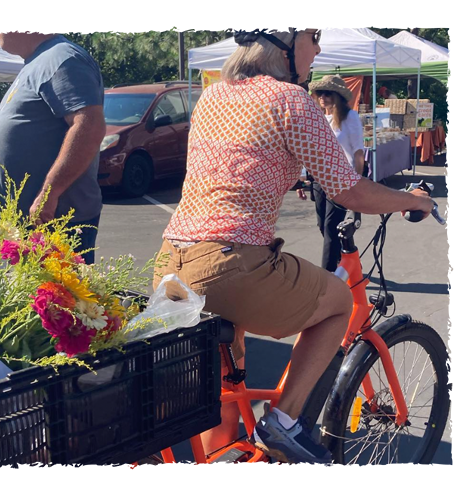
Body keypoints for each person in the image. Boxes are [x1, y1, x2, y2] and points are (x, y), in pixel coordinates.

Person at [153, 27, 433, 466]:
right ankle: (282, 422)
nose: (318, 47)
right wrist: (411, 201)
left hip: (173, 261)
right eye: (313, 35)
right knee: (339, 302)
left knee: (229, 384)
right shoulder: (289, 100)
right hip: (233, 263)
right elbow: (350, 190)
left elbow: (235, 166)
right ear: (283, 42)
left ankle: (222, 460)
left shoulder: (212, 98)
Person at [0, 31, 106, 264]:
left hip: (50, 225)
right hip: (25, 226)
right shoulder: (40, 61)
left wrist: (49, 193)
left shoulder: (61, 58)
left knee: (53, 299)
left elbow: (90, 127)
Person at [307, 76, 365, 272]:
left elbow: (358, 152)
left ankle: (328, 275)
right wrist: (304, 177)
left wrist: (357, 183)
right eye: (319, 93)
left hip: (341, 179)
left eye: (327, 93)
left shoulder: (350, 117)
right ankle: (347, 260)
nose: (322, 97)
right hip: (319, 179)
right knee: (323, 225)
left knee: (332, 228)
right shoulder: (323, 118)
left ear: (338, 96)